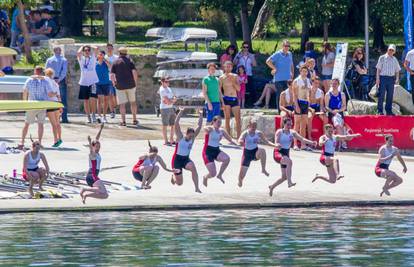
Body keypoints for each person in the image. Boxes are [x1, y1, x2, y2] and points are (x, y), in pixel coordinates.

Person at [269, 117, 316, 196]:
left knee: (284, 177)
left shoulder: (292, 132)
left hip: (286, 153)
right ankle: (289, 182)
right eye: (288, 124)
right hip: (278, 153)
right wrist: (277, 145)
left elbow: (302, 139)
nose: (289, 126)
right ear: (284, 124)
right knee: (289, 162)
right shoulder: (279, 132)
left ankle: (272, 187)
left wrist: (312, 143)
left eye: (291, 124)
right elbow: (276, 142)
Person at [237, 118, 279, 188]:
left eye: (255, 126)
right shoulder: (246, 133)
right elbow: (240, 139)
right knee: (241, 177)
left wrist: (275, 145)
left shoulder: (258, 133)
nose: (254, 127)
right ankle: (240, 180)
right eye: (252, 126)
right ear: (249, 125)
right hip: (247, 155)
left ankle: (263, 169)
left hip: (255, 152)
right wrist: (241, 141)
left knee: (262, 150)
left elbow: (267, 142)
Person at [171, 107, 203, 193]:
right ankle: (174, 177)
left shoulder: (192, 138)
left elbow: (199, 126)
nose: (192, 138)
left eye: (193, 136)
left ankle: (197, 188)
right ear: (186, 134)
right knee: (179, 183)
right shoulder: (180, 137)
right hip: (177, 160)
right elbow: (176, 123)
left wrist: (200, 113)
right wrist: (181, 111)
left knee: (193, 168)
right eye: (190, 136)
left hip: (186, 159)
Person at [20, 66, 53, 149]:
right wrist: (55, 94)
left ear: (35, 71)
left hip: (31, 104)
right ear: (42, 72)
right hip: (42, 104)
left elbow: (25, 91)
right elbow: (49, 94)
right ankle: (40, 142)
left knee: (26, 124)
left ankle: (22, 142)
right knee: (40, 124)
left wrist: (24, 103)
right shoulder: (45, 81)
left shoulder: (29, 80)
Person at [202, 116, 238, 187]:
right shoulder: (210, 129)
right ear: (214, 122)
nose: (219, 124)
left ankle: (220, 175)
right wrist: (206, 128)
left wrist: (239, 144)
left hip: (216, 151)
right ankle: (205, 177)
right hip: (207, 152)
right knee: (212, 174)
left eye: (220, 122)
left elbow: (230, 140)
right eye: (218, 122)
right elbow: (204, 128)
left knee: (227, 159)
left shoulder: (222, 131)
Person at [80, 123, 108, 203]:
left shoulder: (97, 153)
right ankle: (84, 189)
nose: (98, 148)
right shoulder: (92, 154)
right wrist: (89, 142)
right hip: (92, 175)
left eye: (99, 147)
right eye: (97, 147)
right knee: (104, 192)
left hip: (93, 176)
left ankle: (86, 195)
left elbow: (96, 139)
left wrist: (101, 129)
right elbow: (91, 149)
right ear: (93, 147)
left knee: (104, 195)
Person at [110, 47, 139, 126]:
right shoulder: (130, 61)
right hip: (131, 85)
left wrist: (114, 83)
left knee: (122, 104)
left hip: (120, 86)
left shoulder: (115, 62)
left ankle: (123, 121)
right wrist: (135, 83)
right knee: (133, 103)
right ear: (126, 53)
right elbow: (134, 73)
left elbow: (112, 75)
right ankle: (134, 120)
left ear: (119, 53)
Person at [265, 39, 294, 111]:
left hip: (288, 79)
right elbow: (268, 61)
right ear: (282, 46)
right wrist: (274, 68)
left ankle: (287, 110)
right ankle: (280, 111)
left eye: (288, 46)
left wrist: (292, 74)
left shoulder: (290, 54)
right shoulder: (277, 54)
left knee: (288, 95)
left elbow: (292, 65)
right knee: (280, 95)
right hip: (279, 79)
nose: (287, 47)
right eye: (285, 46)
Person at [376, 44, 401, 116]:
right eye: (390, 49)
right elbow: (378, 69)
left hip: (391, 79)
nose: (391, 51)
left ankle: (388, 110)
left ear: (394, 52)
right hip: (383, 78)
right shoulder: (382, 58)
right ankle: (379, 110)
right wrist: (377, 79)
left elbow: (397, 70)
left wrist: (397, 79)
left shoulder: (395, 59)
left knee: (390, 95)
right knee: (381, 95)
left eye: (392, 50)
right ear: (387, 49)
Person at [46, 46, 69, 123]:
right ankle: (64, 118)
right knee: (62, 99)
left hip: (51, 80)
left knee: (53, 99)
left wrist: (51, 79)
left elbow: (47, 70)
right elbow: (64, 71)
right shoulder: (64, 60)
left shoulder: (49, 60)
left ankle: (54, 118)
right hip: (60, 80)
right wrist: (59, 79)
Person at [77, 45, 99, 123]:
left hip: (93, 82)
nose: (87, 51)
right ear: (83, 51)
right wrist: (83, 46)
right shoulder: (81, 59)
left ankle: (93, 115)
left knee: (93, 99)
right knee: (86, 100)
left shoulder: (92, 58)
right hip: (84, 82)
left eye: (88, 50)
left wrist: (89, 45)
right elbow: (78, 53)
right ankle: (88, 116)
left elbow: (96, 48)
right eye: (85, 50)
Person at [220, 61, 241, 138]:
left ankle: (239, 137)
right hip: (226, 98)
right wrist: (221, 100)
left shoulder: (235, 76)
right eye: (226, 66)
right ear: (224, 67)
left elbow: (238, 89)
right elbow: (219, 90)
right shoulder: (221, 77)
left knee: (238, 119)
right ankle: (228, 137)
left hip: (234, 98)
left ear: (232, 67)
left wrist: (232, 81)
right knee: (227, 118)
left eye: (229, 66)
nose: (228, 68)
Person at [292, 66, 311, 150]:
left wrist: (309, 102)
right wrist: (296, 105)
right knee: (297, 123)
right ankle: (295, 143)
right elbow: (294, 94)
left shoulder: (307, 80)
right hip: (298, 101)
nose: (304, 73)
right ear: (300, 72)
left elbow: (308, 92)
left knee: (303, 124)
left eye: (306, 71)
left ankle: (303, 144)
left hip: (305, 102)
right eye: (303, 71)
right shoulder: (296, 81)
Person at [325, 78, 347, 148]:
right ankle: (343, 142)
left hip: (339, 113)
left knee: (339, 125)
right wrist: (332, 111)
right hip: (331, 113)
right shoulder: (328, 94)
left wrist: (338, 111)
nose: (334, 85)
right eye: (332, 84)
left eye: (335, 84)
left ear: (338, 85)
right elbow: (326, 107)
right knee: (337, 124)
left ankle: (340, 143)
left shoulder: (342, 94)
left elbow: (344, 106)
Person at [233, 41, 257, 106]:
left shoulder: (251, 55)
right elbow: (234, 63)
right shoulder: (238, 54)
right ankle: (237, 103)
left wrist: (251, 57)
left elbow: (254, 65)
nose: (246, 48)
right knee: (238, 89)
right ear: (242, 47)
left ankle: (252, 103)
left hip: (248, 74)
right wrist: (238, 57)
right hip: (239, 75)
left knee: (251, 89)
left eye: (247, 47)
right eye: (244, 47)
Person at [44, 68, 62, 147]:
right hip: (56, 103)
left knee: (53, 124)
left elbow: (50, 94)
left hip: (50, 103)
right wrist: (60, 105)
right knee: (58, 123)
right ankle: (60, 138)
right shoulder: (55, 83)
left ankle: (55, 140)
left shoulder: (47, 80)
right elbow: (59, 96)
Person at [159, 77, 177, 145]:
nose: (168, 83)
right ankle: (166, 141)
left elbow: (174, 97)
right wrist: (172, 100)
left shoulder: (169, 88)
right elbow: (168, 101)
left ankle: (171, 140)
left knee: (173, 124)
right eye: (166, 82)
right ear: (162, 82)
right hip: (164, 109)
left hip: (171, 108)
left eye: (168, 81)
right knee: (165, 125)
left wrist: (172, 100)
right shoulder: (162, 90)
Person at [95, 50, 111, 123]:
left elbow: (111, 66)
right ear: (97, 55)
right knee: (99, 99)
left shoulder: (106, 63)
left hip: (106, 83)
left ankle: (104, 116)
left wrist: (104, 59)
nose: (100, 55)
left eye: (102, 55)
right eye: (100, 54)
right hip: (98, 84)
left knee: (106, 100)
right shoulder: (95, 63)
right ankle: (99, 116)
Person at [105, 43, 118, 118]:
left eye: (110, 48)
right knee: (110, 95)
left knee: (115, 96)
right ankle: (112, 111)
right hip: (108, 79)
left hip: (116, 79)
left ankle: (115, 107)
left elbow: (113, 67)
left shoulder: (116, 57)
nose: (109, 50)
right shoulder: (104, 57)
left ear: (112, 49)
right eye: (108, 48)